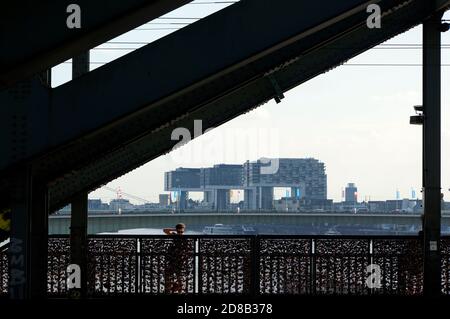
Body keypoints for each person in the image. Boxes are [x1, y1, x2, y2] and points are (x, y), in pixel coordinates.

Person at [163, 223, 188, 293]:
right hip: (173, 259)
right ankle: (168, 289)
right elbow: (165, 230)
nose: (180, 233)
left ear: (184, 231)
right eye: (179, 232)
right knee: (168, 274)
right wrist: (174, 229)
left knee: (179, 276)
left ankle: (180, 291)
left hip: (180, 260)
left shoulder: (185, 238)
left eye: (182, 232)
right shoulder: (174, 235)